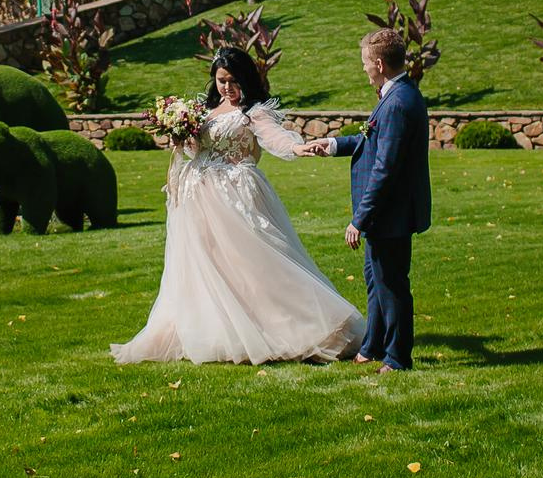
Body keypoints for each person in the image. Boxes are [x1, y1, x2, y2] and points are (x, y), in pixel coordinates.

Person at [110, 46, 363, 365]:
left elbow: (274, 138)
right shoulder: (204, 109)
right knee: (205, 265)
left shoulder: (252, 112)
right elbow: (194, 148)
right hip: (196, 196)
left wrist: (297, 149)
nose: (226, 87)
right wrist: (180, 134)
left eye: (232, 80)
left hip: (234, 194)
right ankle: (216, 329)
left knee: (252, 262)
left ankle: (296, 326)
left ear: (245, 79)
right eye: (220, 80)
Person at [300, 29, 431, 372]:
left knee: (392, 287)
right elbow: (370, 140)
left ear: (378, 63)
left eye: (364, 64)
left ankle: (399, 357)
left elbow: (385, 168)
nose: (363, 70)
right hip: (388, 214)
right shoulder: (396, 94)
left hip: (391, 214)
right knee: (377, 282)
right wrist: (331, 145)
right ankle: (373, 346)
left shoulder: (399, 103)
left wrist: (360, 218)